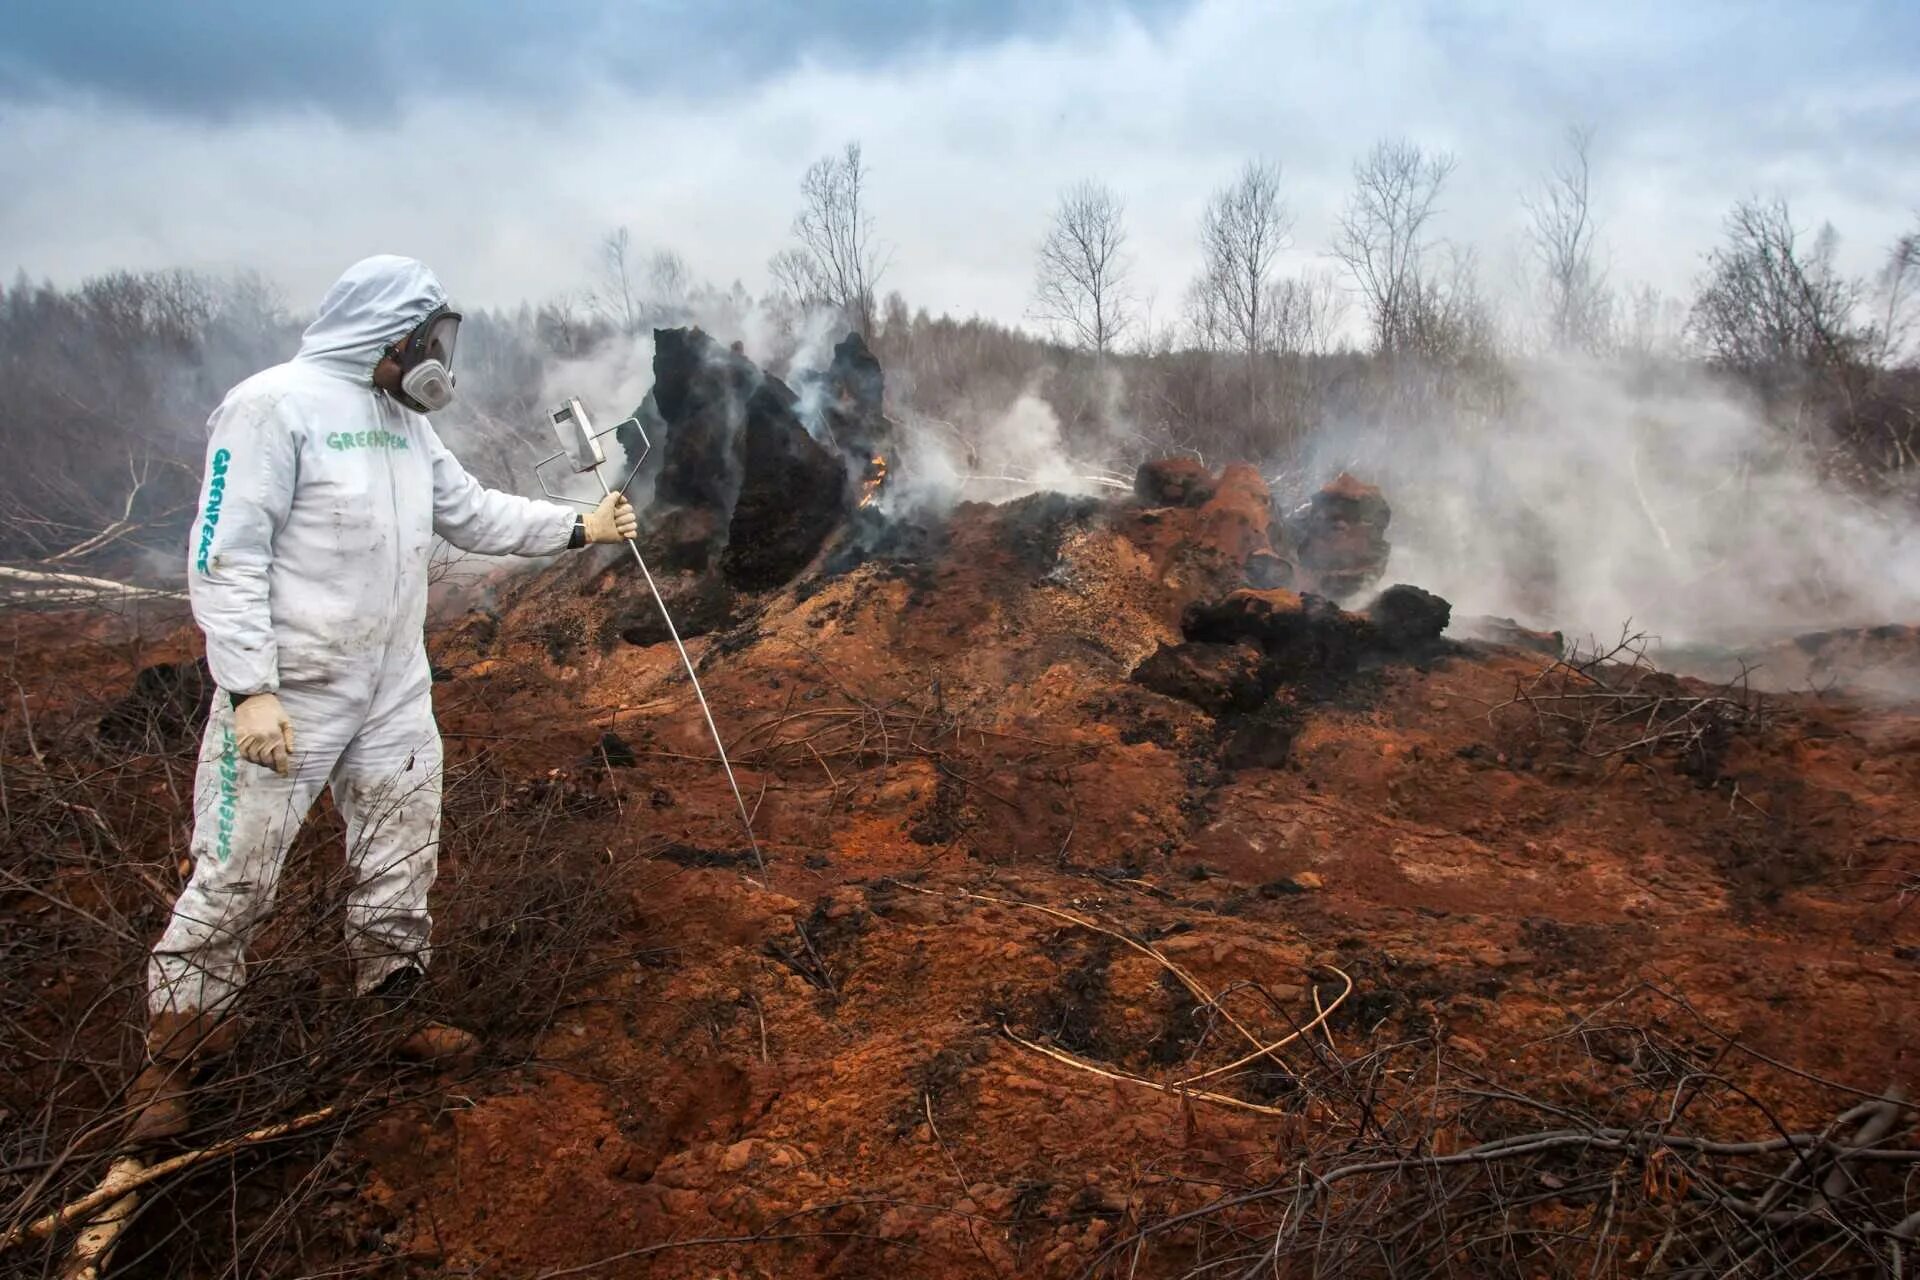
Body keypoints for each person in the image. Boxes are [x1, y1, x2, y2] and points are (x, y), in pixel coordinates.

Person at [126, 256, 638, 1143]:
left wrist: (574, 526)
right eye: (428, 338)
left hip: (393, 685)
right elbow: (224, 553)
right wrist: (249, 688)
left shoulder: (402, 421)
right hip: (291, 695)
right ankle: (175, 1060)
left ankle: (391, 1008)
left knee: (402, 849)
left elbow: (468, 512)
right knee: (236, 871)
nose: (438, 356)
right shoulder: (271, 408)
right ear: (386, 334)